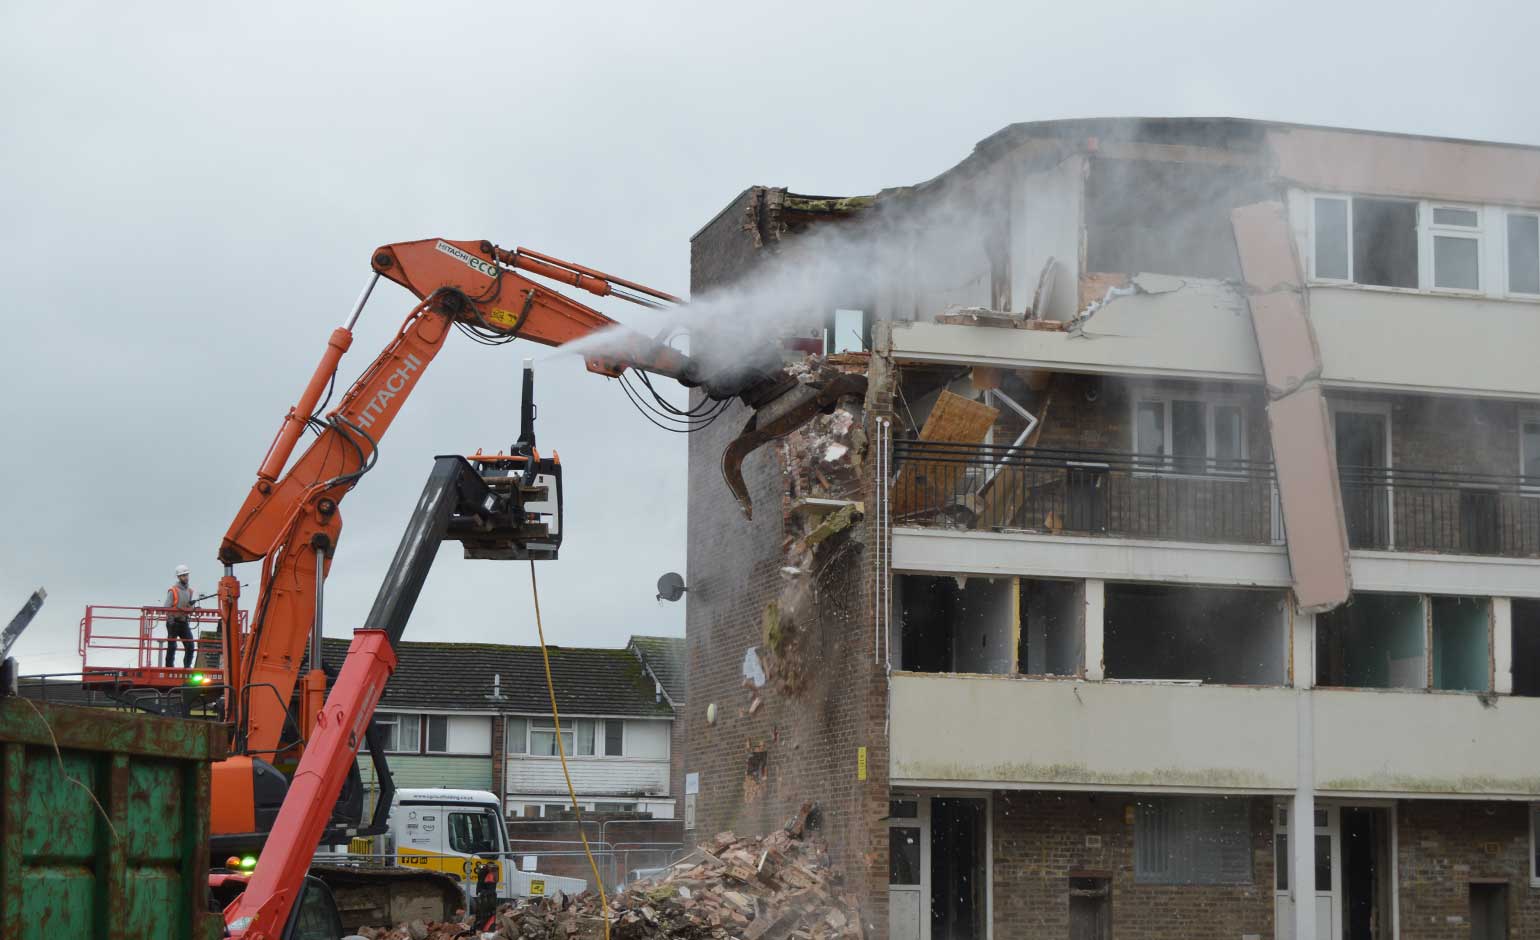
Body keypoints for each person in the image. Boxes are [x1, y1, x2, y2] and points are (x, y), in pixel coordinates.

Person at [164, 564, 195, 669]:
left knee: (190, 646)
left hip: (183, 622)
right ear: (178, 577)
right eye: (183, 575)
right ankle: (169, 668)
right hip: (173, 622)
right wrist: (171, 620)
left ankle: (187, 667)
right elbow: (166, 607)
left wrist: (191, 607)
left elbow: (190, 608)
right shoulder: (173, 591)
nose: (185, 577)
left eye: (186, 575)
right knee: (172, 647)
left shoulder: (189, 591)